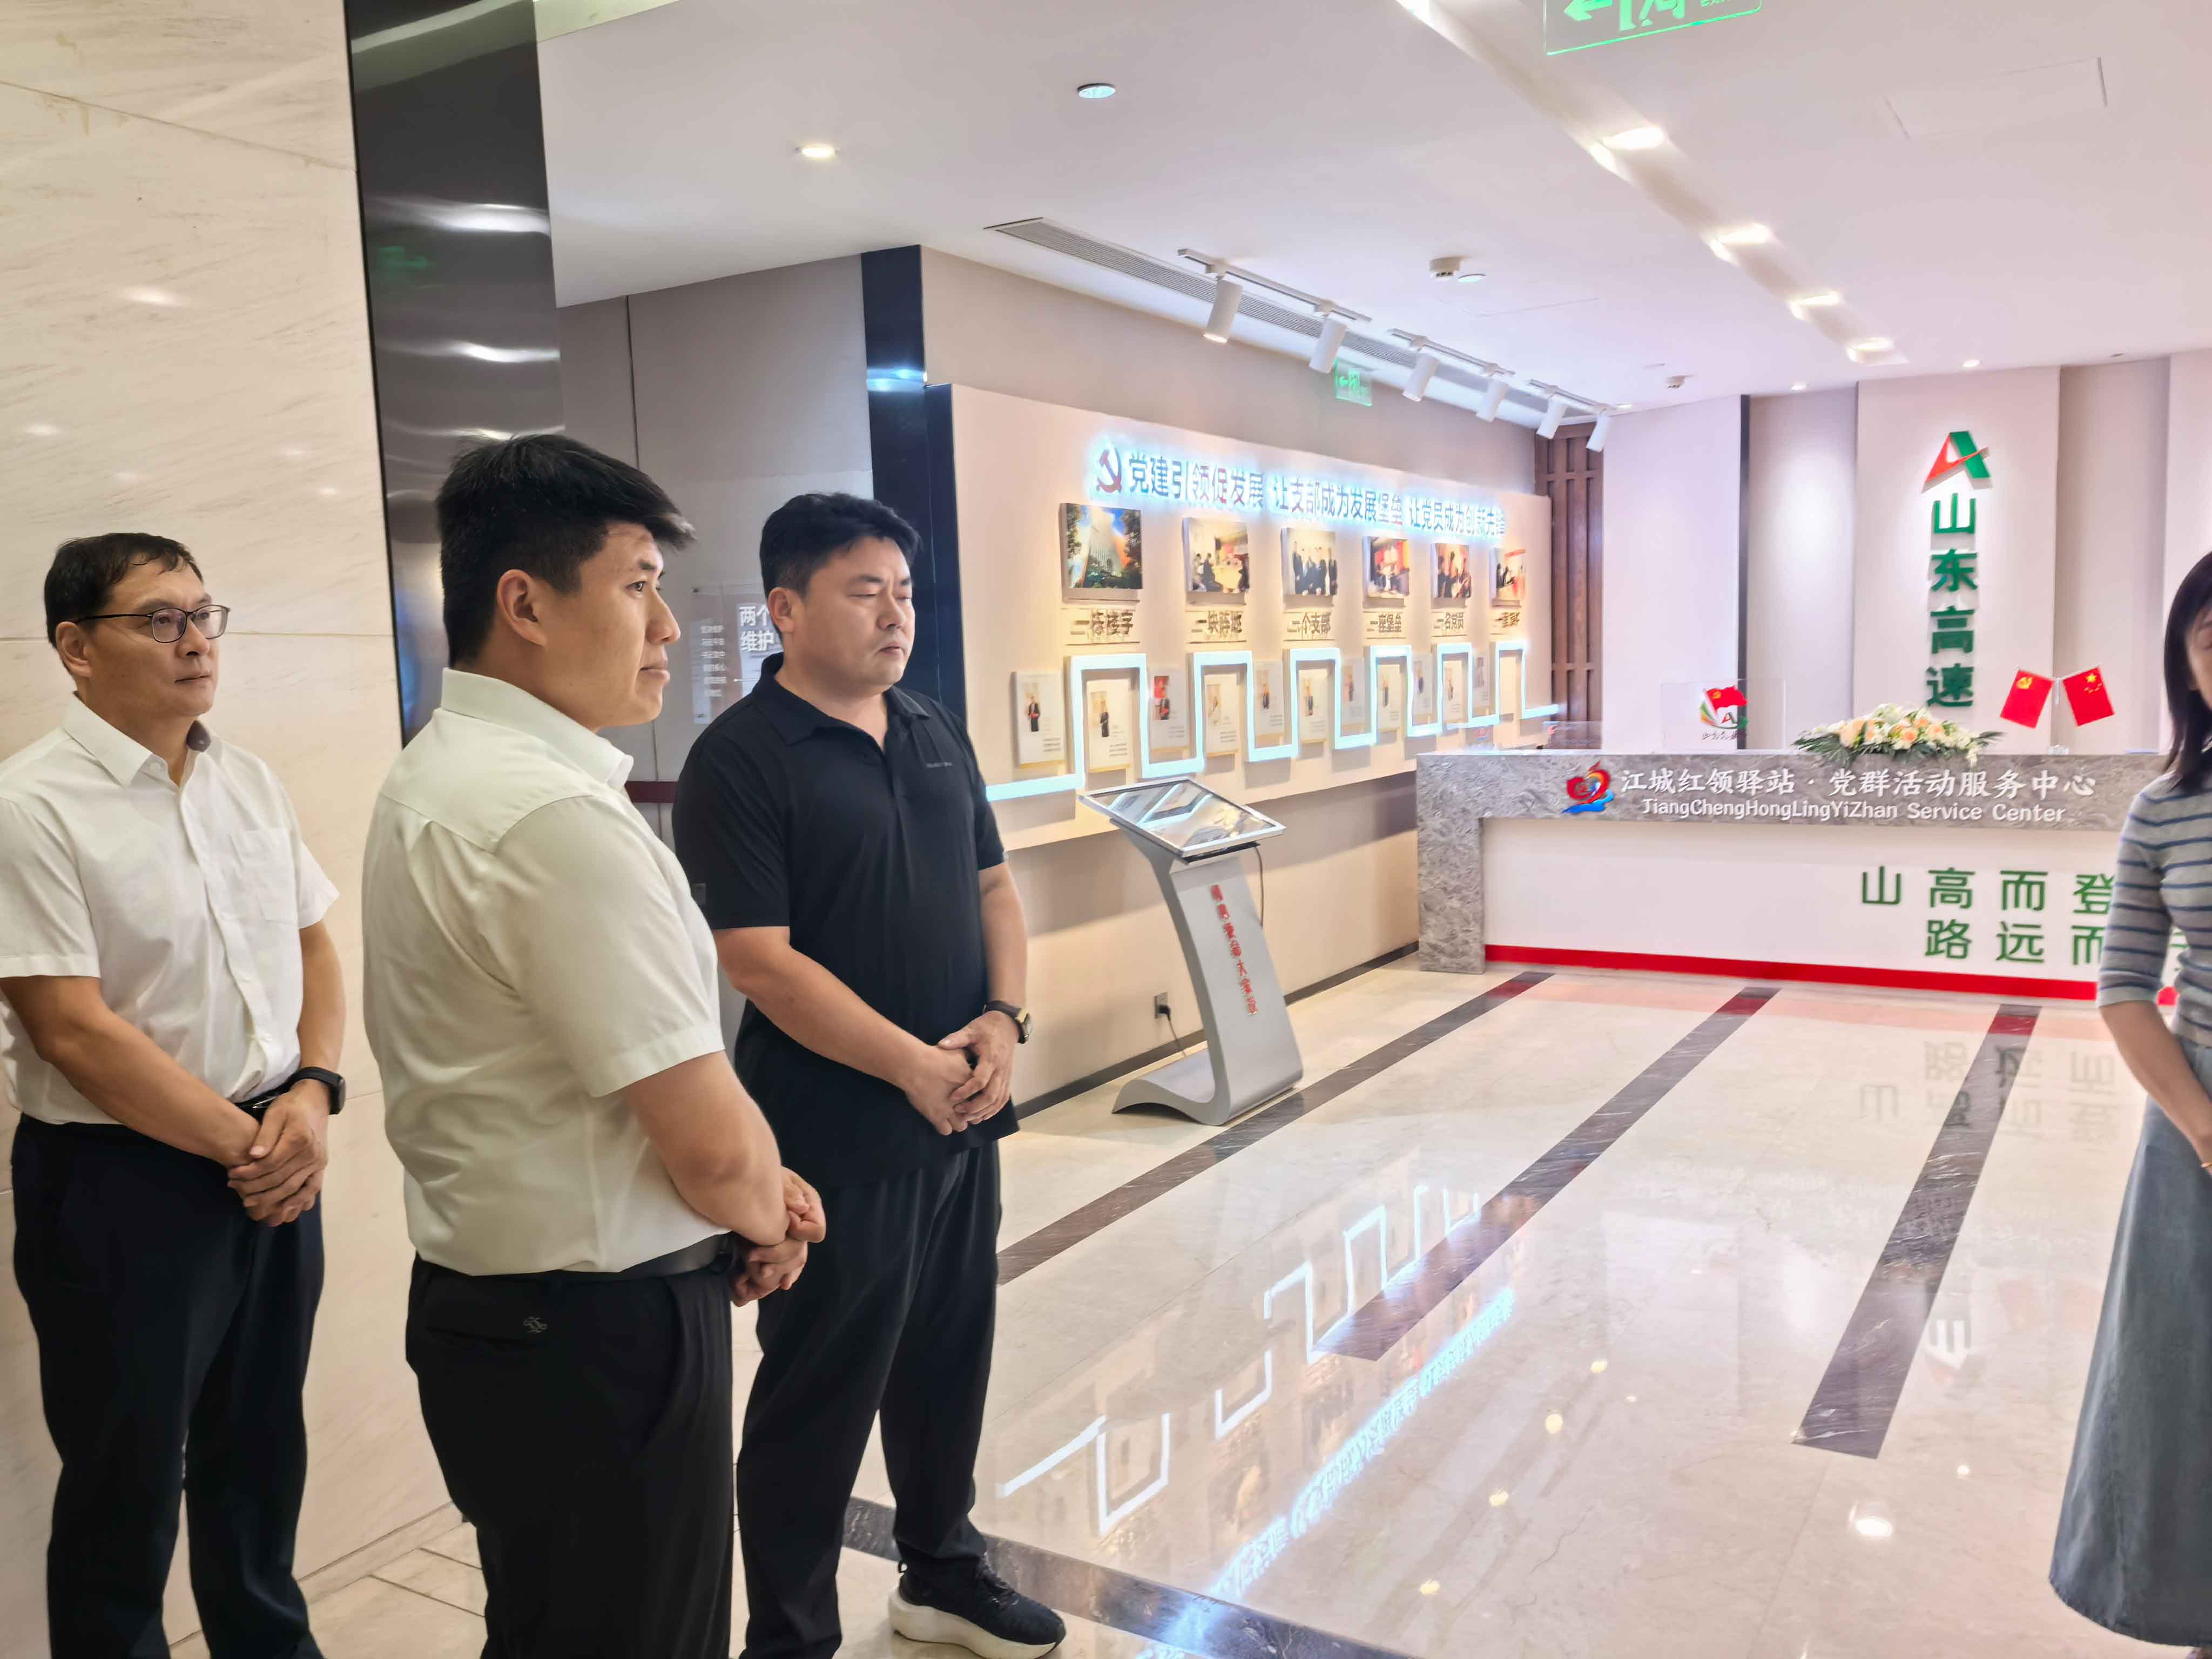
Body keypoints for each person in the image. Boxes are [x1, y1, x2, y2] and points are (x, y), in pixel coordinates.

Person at [362, 435, 822, 1659]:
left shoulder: (441, 771)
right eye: (636, 585)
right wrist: (768, 1208)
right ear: (523, 603)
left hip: (499, 1316)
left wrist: (755, 1191)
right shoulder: (551, 815)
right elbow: (703, 1138)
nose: (667, 626)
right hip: (596, 1339)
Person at [675, 493, 1064, 1659]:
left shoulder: (934, 727)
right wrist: (909, 1068)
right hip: (832, 1134)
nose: (896, 614)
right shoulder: (740, 759)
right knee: (820, 1392)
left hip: (960, 1114)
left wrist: (1003, 1021)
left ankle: (941, 1572)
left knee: (948, 1355)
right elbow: (759, 959)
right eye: (864, 591)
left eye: (903, 591)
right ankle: (791, 1638)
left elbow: (993, 887)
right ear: (786, 608)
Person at [0, 533, 343, 1657]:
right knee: (126, 1490)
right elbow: (70, 1028)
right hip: (122, 1185)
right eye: (160, 620)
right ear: (75, 648)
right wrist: (256, 1147)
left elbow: (314, 945)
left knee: (260, 1463)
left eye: (204, 615)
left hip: (274, 1153)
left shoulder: (246, 780)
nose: (196, 642)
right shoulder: (29, 805)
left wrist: (314, 1089)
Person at [2052, 550, 2212, 1654]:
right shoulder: (2164, 810)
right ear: (2186, 669)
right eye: (2211, 642)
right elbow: (2121, 987)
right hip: (2197, 1134)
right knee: (2182, 1392)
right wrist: (2202, 1127)